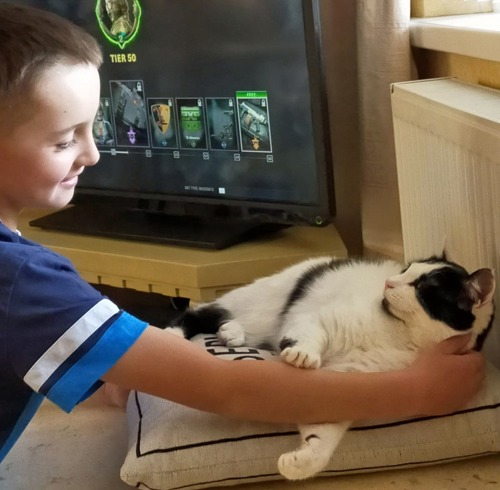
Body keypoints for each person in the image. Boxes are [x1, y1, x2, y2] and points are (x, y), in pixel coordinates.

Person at [0, 2, 486, 466]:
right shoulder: (24, 280)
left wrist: (123, 367)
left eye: (95, 128)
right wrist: (417, 390)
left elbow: (101, 371)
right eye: (65, 139)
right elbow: (224, 388)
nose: (93, 155)